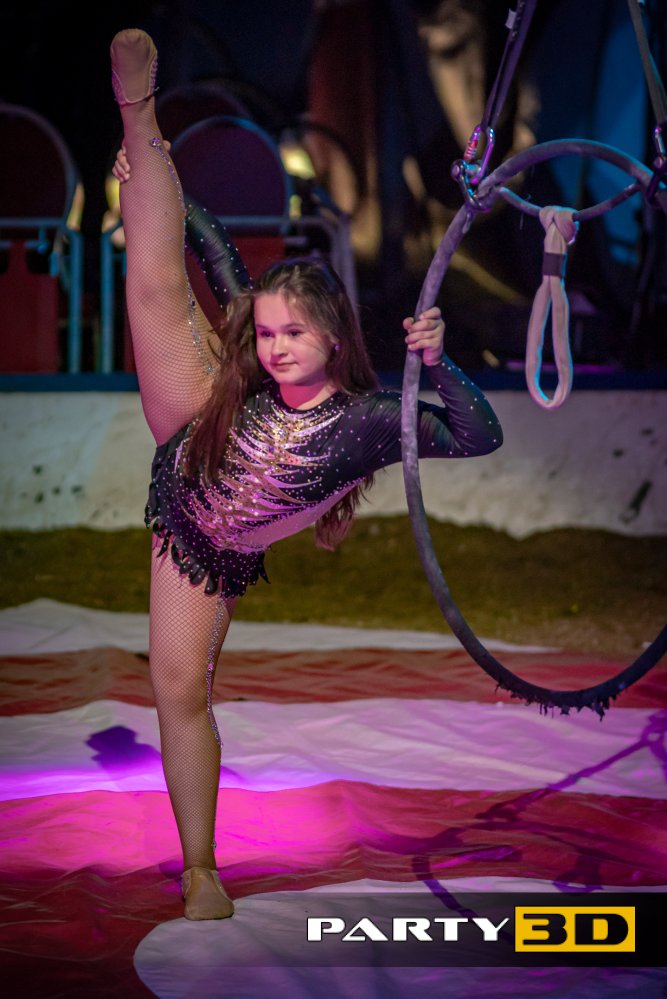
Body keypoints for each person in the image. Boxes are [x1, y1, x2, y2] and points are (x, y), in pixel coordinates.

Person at [108, 27, 503, 922]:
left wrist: (436, 362)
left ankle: (201, 868)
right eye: (267, 333)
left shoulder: (366, 422)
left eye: (292, 333)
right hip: (198, 424)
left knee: (181, 688)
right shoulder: (248, 366)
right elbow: (209, 251)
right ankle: (139, 114)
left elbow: (476, 432)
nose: (276, 346)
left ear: (332, 337)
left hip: (208, 543)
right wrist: (155, 185)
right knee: (155, 284)